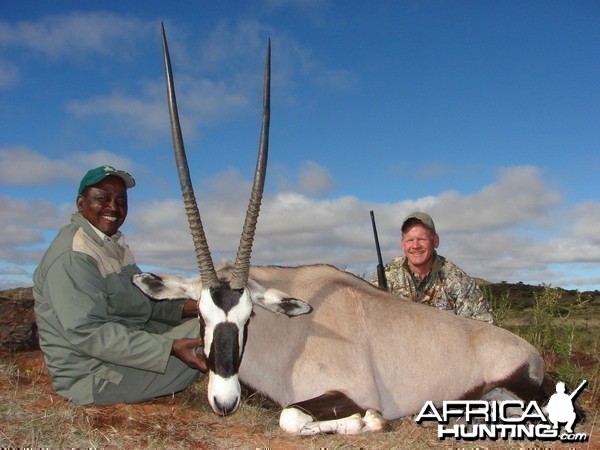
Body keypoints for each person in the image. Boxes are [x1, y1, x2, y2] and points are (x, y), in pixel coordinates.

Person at [33, 165, 207, 405]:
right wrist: (169, 347)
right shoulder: (73, 256)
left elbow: (144, 304)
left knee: (214, 321)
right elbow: (88, 333)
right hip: (94, 376)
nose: (113, 207)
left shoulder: (112, 245)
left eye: (120, 200)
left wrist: (203, 305)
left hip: (129, 348)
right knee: (219, 335)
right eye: (102, 199)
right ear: (81, 203)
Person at [372, 211, 495, 324]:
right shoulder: (386, 275)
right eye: (410, 240)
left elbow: (485, 328)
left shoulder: (458, 280)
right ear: (402, 245)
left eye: (421, 239)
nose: (415, 245)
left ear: (435, 241)